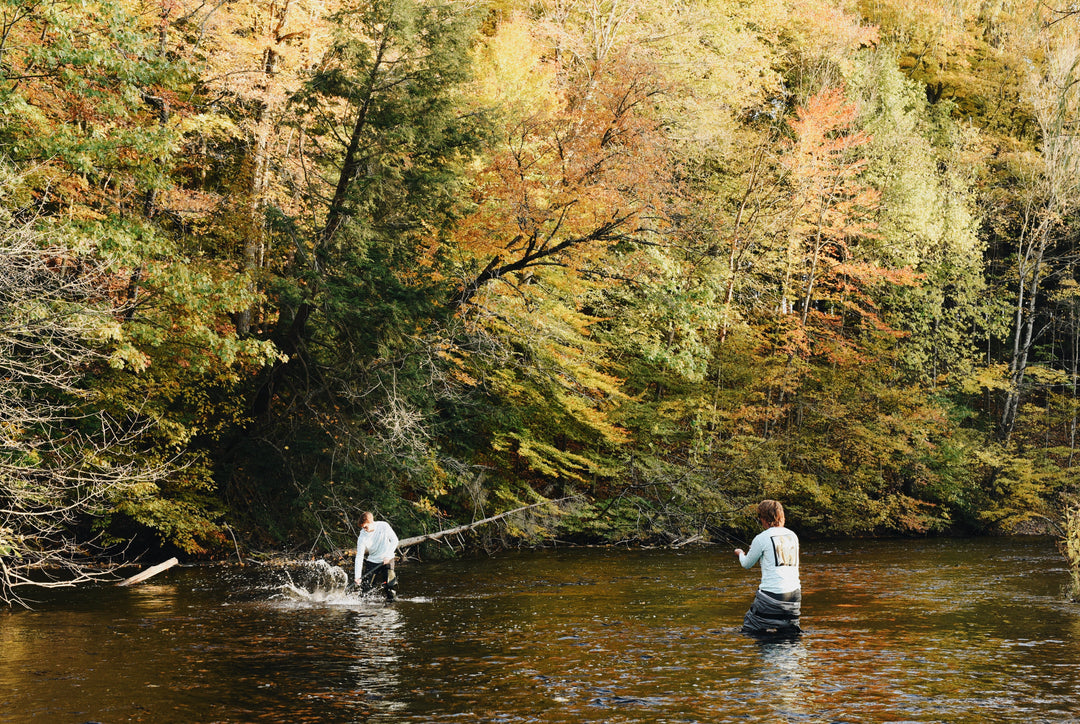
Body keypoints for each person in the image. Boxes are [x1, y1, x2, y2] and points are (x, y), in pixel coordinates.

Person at [734, 499, 801, 635]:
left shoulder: (761, 538)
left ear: (764, 518)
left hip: (771, 597)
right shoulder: (792, 535)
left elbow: (746, 564)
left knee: (750, 629)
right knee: (788, 634)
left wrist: (740, 553)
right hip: (794, 597)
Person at [354, 511, 399, 602]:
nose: (364, 529)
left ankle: (391, 608)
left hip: (387, 559)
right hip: (372, 561)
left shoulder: (384, 526)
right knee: (366, 589)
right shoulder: (362, 536)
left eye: (366, 527)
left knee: (390, 586)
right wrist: (357, 576)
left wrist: (388, 555)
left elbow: (395, 540)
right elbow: (359, 556)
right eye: (363, 528)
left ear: (372, 522)